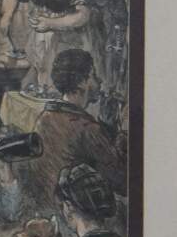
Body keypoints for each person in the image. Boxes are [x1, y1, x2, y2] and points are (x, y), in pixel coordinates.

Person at [19, 47, 125, 209]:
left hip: (47, 206)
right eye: (93, 76)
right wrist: (119, 137)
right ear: (81, 82)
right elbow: (121, 182)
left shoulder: (45, 117)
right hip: (72, 212)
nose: (99, 82)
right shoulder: (86, 128)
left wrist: (106, 127)